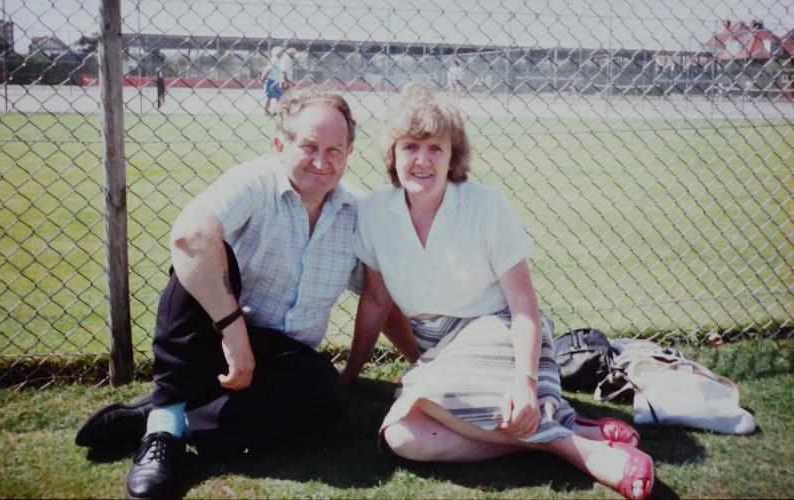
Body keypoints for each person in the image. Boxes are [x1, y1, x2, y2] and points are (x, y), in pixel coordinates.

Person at [75, 86, 409, 498]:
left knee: (324, 394)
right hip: (217, 334)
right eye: (308, 147)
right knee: (199, 259)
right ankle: (162, 431)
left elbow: (380, 298)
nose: (322, 162)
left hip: (281, 357)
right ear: (279, 145)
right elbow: (188, 237)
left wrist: (420, 361)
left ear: (349, 153)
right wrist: (234, 333)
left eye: (335, 150)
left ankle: (175, 413)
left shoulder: (358, 211)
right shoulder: (253, 182)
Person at [339, 83, 654, 500]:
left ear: (454, 157)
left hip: (499, 329)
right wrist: (350, 374)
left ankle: (578, 451)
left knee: (432, 395)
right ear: (392, 154)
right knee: (403, 437)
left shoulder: (485, 205)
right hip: (439, 348)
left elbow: (524, 306)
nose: (422, 160)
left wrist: (524, 382)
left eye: (436, 147)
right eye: (411, 146)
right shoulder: (374, 211)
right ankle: (557, 429)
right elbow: (376, 301)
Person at [259, 47, 295, 115]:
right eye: (280, 52)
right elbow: (268, 69)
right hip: (271, 80)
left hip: (276, 80)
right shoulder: (275, 60)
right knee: (270, 96)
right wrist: (263, 77)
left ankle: (276, 111)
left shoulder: (281, 59)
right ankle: (267, 111)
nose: (282, 53)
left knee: (278, 97)